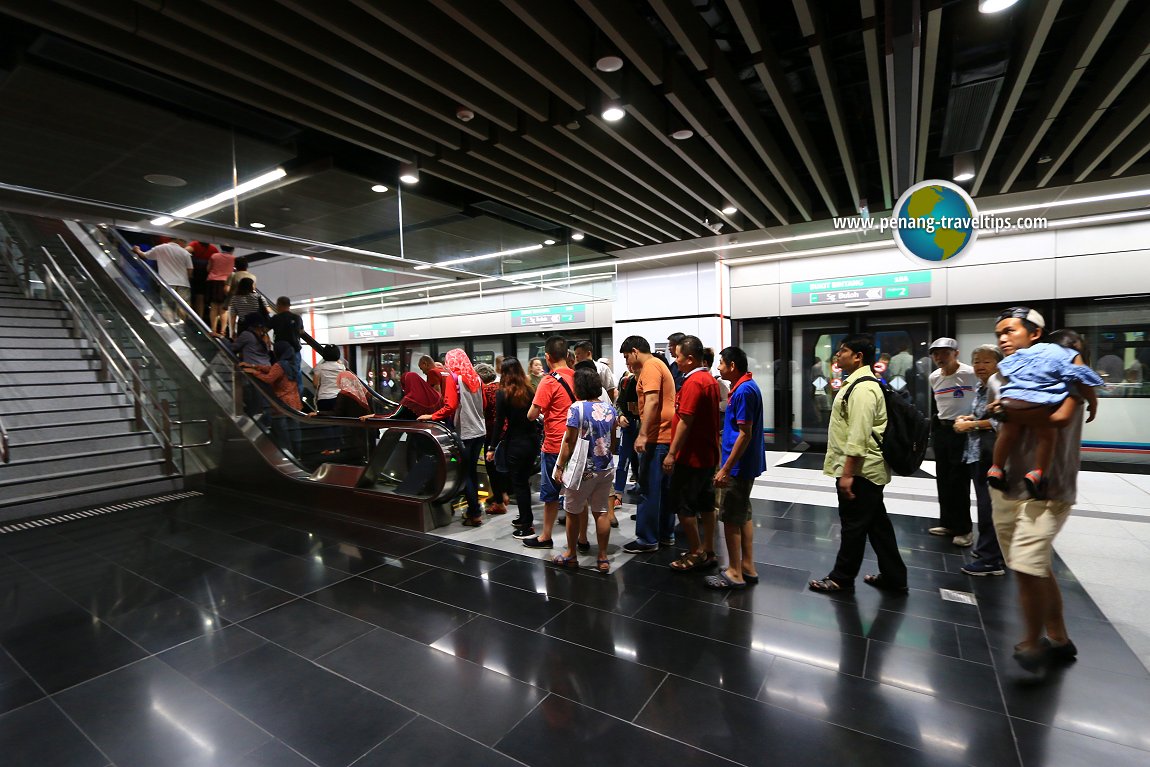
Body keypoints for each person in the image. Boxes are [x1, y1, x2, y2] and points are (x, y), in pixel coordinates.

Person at [988, 307, 1086, 674]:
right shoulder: (1007, 375)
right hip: (1008, 486)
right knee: (1033, 566)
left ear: (1035, 336)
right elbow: (1002, 415)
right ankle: (1058, 638)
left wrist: (1005, 412)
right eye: (999, 333)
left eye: (1010, 331)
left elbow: (1057, 419)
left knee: (1028, 567)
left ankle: (1033, 641)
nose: (1002, 339)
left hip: (1047, 489)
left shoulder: (1069, 380)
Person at [809, 334, 908, 595]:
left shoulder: (863, 387)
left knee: (853, 526)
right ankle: (895, 576)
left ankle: (841, 578)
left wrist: (847, 473)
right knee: (878, 526)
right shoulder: (859, 383)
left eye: (842, 351)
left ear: (858, 357)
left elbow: (859, 435)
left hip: (862, 471)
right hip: (866, 470)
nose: (837, 356)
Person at [987, 327, 1102, 499]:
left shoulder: (1033, 350)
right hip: (1037, 402)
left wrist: (1004, 401)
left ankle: (996, 468)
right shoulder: (1071, 354)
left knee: (1007, 433)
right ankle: (1037, 473)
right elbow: (1081, 381)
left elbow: (1007, 366)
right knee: (1046, 436)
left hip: (1011, 399)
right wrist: (1093, 403)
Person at [704, 346, 765, 589]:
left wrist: (726, 468)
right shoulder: (746, 387)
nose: (718, 368)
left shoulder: (743, 392)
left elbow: (745, 433)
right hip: (743, 464)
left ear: (732, 366)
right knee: (743, 515)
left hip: (738, 466)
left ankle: (734, 572)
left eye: (721, 363)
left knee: (729, 517)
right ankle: (747, 566)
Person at [551, 367, 618, 574]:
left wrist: (560, 466)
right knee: (601, 511)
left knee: (573, 511)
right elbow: (614, 441)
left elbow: (569, 442)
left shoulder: (576, 408)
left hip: (583, 469)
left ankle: (571, 554)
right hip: (605, 467)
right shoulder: (610, 409)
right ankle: (603, 557)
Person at [663, 336, 721, 573]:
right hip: (707, 453)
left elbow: (685, 420)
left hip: (691, 456)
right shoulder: (708, 379)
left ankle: (696, 551)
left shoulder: (695, 382)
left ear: (689, 358)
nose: (675, 361)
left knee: (684, 506)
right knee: (707, 504)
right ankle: (708, 549)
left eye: (677, 356)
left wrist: (671, 453)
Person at [954, 344, 1007, 576]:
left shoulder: (1000, 386)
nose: (980, 366)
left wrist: (971, 424)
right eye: (976, 361)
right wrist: (970, 418)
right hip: (978, 452)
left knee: (989, 507)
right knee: (985, 504)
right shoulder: (981, 386)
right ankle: (988, 549)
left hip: (992, 455)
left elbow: (1001, 422)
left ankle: (991, 560)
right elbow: (984, 415)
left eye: (986, 362)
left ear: (998, 364)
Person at [620, 335, 675, 553]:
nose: (627, 362)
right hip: (666, 436)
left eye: (627, 357)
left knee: (649, 490)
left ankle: (647, 539)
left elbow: (652, 401)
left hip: (656, 437)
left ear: (635, 351)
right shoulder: (659, 364)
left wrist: (642, 435)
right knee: (664, 490)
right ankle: (665, 534)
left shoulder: (651, 366)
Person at [419, 349, 486, 526]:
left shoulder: (453, 378)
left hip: (465, 432)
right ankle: (474, 510)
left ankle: (474, 513)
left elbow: (450, 405)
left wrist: (431, 417)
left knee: (466, 474)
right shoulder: (476, 378)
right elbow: (484, 404)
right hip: (480, 430)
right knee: (472, 471)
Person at [521, 337, 576, 549]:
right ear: (567, 355)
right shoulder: (577, 377)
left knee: (551, 494)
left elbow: (532, 414)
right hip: (576, 444)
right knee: (576, 496)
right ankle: (580, 539)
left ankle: (545, 536)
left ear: (547, 357)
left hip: (555, 444)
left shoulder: (548, 380)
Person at [927, 337, 979, 547]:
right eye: (936, 353)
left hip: (962, 431)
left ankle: (964, 529)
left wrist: (974, 419)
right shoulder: (934, 377)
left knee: (959, 481)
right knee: (943, 478)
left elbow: (985, 395)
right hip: (942, 430)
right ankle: (948, 523)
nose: (939, 357)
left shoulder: (970, 373)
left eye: (945, 353)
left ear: (956, 353)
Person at [487, 358, 539, 538]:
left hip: (515, 443)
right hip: (532, 442)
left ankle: (526, 524)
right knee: (523, 481)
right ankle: (524, 517)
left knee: (520, 484)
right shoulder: (530, 390)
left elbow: (499, 422)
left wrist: (492, 447)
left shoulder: (503, 393)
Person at [240, 340, 303, 458]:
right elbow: (271, 369)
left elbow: (269, 378)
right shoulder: (292, 364)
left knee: (282, 432)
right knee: (295, 430)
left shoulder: (280, 365)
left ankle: (288, 456)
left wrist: (254, 372)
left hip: (282, 404)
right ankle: (298, 455)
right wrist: (254, 366)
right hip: (294, 403)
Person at [610, 358, 641, 525]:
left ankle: (641, 491)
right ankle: (619, 493)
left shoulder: (650, 380)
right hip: (629, 426)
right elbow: (619, 403)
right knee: (623, 461)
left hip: (644, 428)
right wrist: (620, 415)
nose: (631, 367)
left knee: (642, 464)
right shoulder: (626, 381)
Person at [475, 362, 507, 516]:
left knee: (491, 468)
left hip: (492, 432)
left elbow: (482, 411)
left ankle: (499, 504)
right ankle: (503, 494)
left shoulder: (485, 390)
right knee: (501, 466)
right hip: (506, 432)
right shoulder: (503, 386)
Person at [133, 239, 192, 321]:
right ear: (180, 242)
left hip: (167, 284)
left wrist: (137, 250)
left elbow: (144, 255)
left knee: (167, 307)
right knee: (183, 308)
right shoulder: (185, 252)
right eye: (185, 243)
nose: (185, 245)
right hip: (184, 284)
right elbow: (190, 269)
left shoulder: (160, 248)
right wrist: (185, 278)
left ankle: (172, 329)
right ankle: (182, 329)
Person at [268, 296, 305, 394]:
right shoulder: (297, 317)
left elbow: (264, 330)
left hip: (281, 352)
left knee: (281, 373)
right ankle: (298, 399)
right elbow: (301, 331)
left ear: (278, 305)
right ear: (289, 305)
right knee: (297, 373)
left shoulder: (276, 318)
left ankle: (284, 396)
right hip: (295, 350)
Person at [185, 239, 219, 321]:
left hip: (193, 274)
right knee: (200, 297)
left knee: (190, 295)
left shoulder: (195, 244)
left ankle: (188, 316)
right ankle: (199, 318)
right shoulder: (213, 249)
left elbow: (185, 251)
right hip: (205, 276)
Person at [206, 245, 236, 334]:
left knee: (213, 307)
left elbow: (208, 269)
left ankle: (213, 330)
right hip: (226, 283)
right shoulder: (233, 258)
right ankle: (223, 331)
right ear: (232, 249)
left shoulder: (214, 256)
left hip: (213, 282)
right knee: (224, 308)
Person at [312, 345, 345, 413]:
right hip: (338, 398)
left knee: (325, 419)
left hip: (323, 398)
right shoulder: (342, 367)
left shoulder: (319, 367)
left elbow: (315, 384)